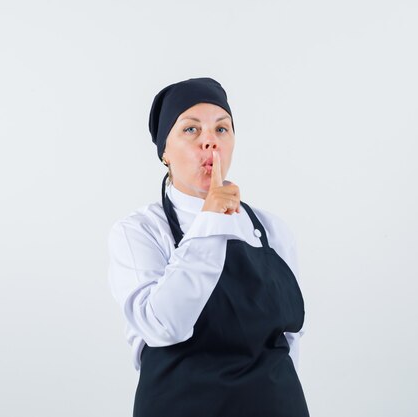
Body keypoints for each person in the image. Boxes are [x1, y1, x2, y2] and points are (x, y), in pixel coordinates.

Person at [107, 77, 310, 417]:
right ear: (165, 153)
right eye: (190, 130)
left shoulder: (271, 230)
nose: (210, 143)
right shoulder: (140, 231)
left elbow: (290, 339)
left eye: (221, 129)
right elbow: (163, 325)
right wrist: (212, 219)